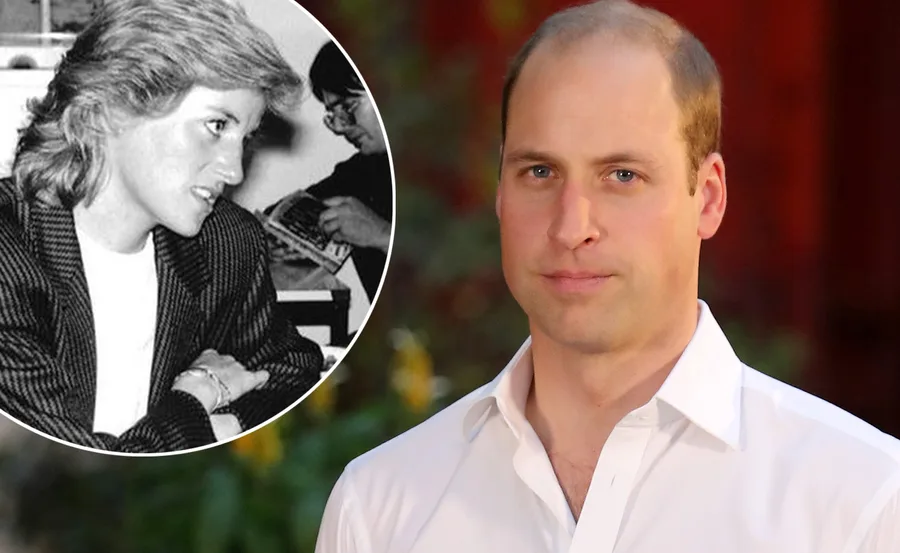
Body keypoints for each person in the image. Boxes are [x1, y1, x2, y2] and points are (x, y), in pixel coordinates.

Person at [315, 1, 900, 551]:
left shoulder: (862, 503)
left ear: (710, 199)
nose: (572, 227)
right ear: (499, 191)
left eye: (622, 176)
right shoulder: (380, 510)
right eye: (539, 170)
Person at [0, 0, 323, 453]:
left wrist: (221, 428)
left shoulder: (227, 242)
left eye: (244, 139)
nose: (234, 171)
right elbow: (68, 473)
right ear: (113, 108)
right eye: (215, 125)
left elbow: (294, 374)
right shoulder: (9, 253)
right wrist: (196, 400)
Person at [264, 40, 392, 303]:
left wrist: (382, 235)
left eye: (349, 107)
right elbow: (282, 214)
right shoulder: (360, 172)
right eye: (333, 115)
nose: (341, 127)